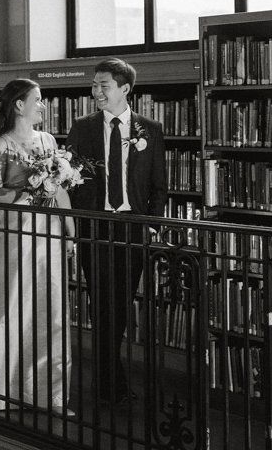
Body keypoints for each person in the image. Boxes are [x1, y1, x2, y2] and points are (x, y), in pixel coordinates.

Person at [0, 78, 76, 414]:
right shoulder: (1, 145)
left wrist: (70, 228)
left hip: (48, 230)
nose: (42, 106)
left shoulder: (48, 140)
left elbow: (58, 188)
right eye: (38, 100)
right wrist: (30, 191)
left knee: (50, 307)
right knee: (10, 303)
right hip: (16, 229)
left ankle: (49, 394)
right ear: (19, 105)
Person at [66, 58, 167, 406]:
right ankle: (111, 380)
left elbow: (159, 187)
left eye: (103, 85)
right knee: (100, 302)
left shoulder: (150, 130)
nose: (96, 91)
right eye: (94, 85)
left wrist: (151, 224)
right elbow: (70, 178)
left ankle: (109, 377)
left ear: (124, 89)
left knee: (121, 305)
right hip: (94, 226)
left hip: (132, 227)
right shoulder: (83, 127)